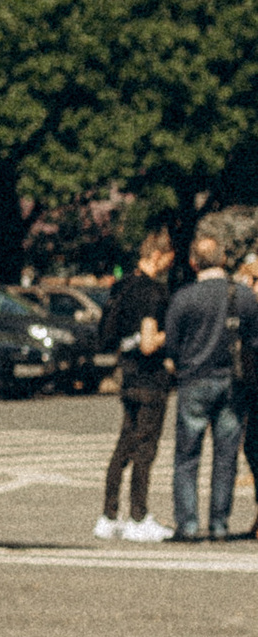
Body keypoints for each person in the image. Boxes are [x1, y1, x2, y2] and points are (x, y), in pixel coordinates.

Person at [166, 229, 256, 542]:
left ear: (193, 263)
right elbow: (253, 340)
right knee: (226, 457)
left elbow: (173, 346)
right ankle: (219, 524)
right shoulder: (243, 296)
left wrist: (184, 362)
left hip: (194, 379)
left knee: (187, 457)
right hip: (233, 381)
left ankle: (188, 525)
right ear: (224, 259)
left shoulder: (184, 297)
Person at [95, 229, 174, 541]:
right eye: (168, 258)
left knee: (123, 445)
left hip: (126, 375)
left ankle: (108, 514)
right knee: (145, 449)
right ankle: (138, 516)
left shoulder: (123, 286)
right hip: (150, 378)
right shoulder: (153, 292)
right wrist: (174, 332)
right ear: (157, 255)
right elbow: (148, 342)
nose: (169, 264)